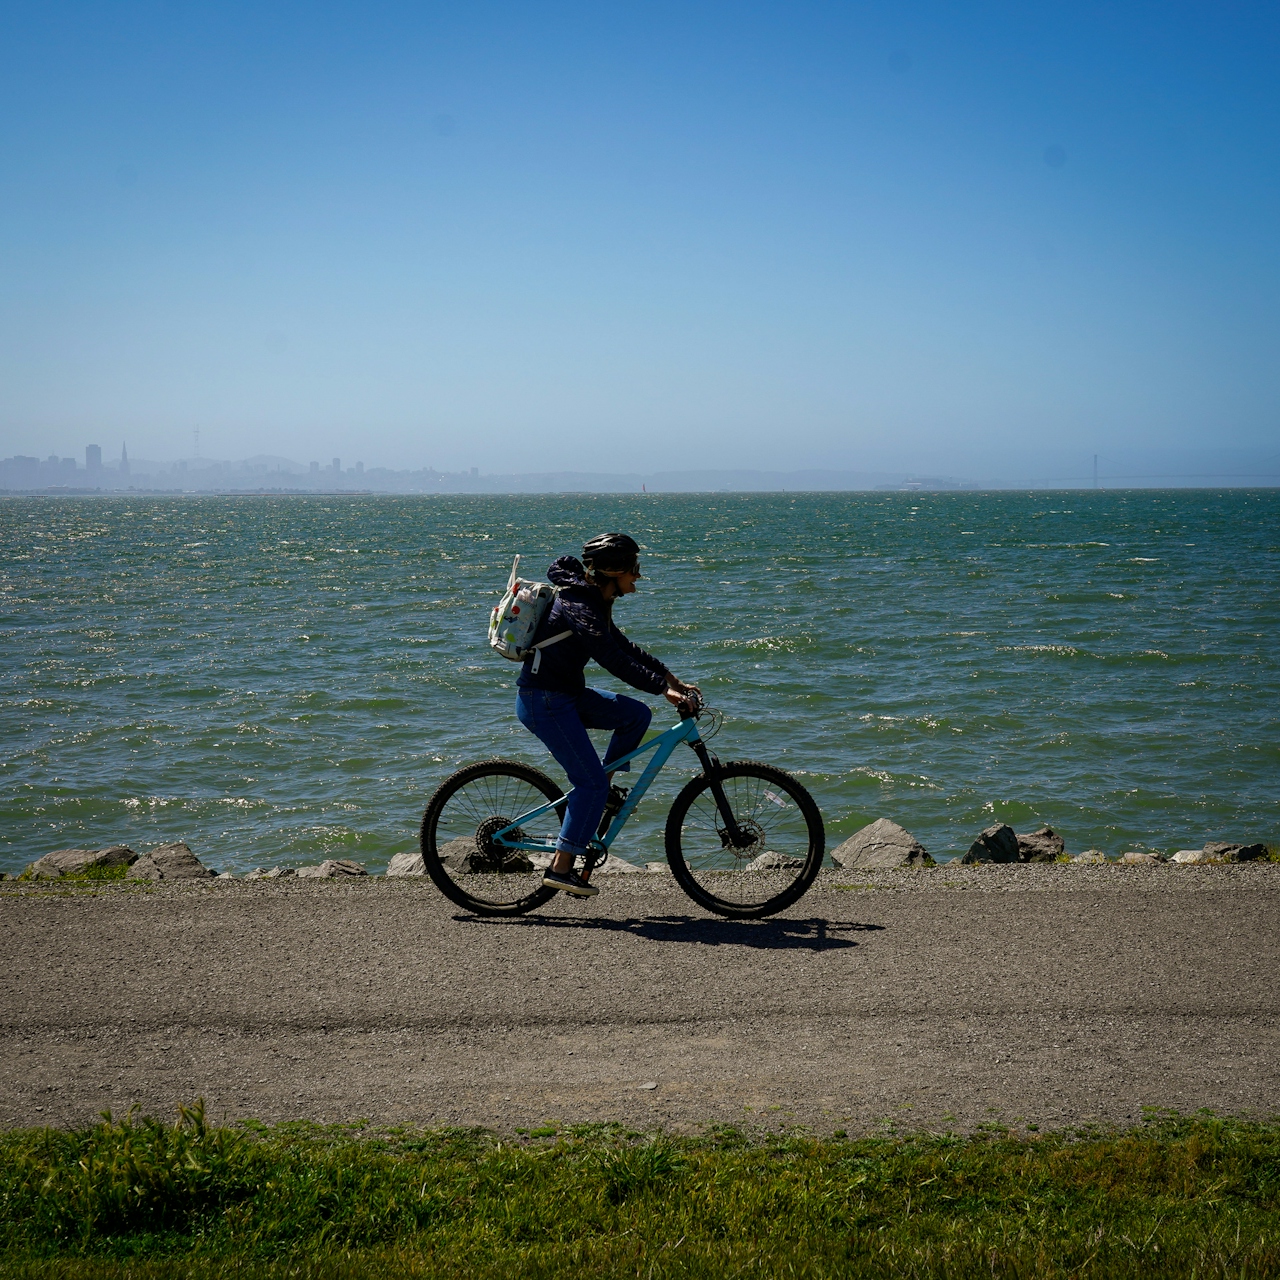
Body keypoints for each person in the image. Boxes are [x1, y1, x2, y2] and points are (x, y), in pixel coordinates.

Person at [515, 533, 698, 897]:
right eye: (634, 570)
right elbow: (611, 659)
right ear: (613, 571)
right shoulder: (578, 604)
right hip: (545, 701)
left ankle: (604, 790)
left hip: (565, 695)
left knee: (635, 716)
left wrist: (669, 677)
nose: (638, 578)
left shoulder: (592, 601)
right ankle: (561, 866)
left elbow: (622, 645)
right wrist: (663, 689)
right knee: (590, 784)